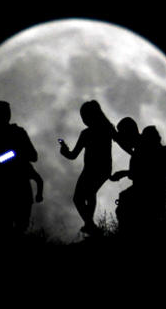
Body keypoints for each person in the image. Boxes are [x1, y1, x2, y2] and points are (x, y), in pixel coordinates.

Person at [0, 101, 40, 234]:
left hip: (17, 187)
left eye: (1, 114)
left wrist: (10, 155)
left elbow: (33, 156)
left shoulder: (18, 133)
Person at [111, 125, 166, 233]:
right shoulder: (138, 154)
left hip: (155, 194)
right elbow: (136, 175)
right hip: (142, 193)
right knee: (124, 201)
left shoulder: (165, 151)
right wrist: (125, 173)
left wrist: (126, 173)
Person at [59, 100, 115, 235]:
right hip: (99, 169)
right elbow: (73, 155)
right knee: (89, 194)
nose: (83, 119)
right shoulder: (106, 129)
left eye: (84, 116)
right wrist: (65, 151)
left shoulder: (91, 132)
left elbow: (72, 155)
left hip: (95, 170)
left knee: (81, 197)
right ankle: (90, 225)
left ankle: (90, 225)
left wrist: (64, 151)